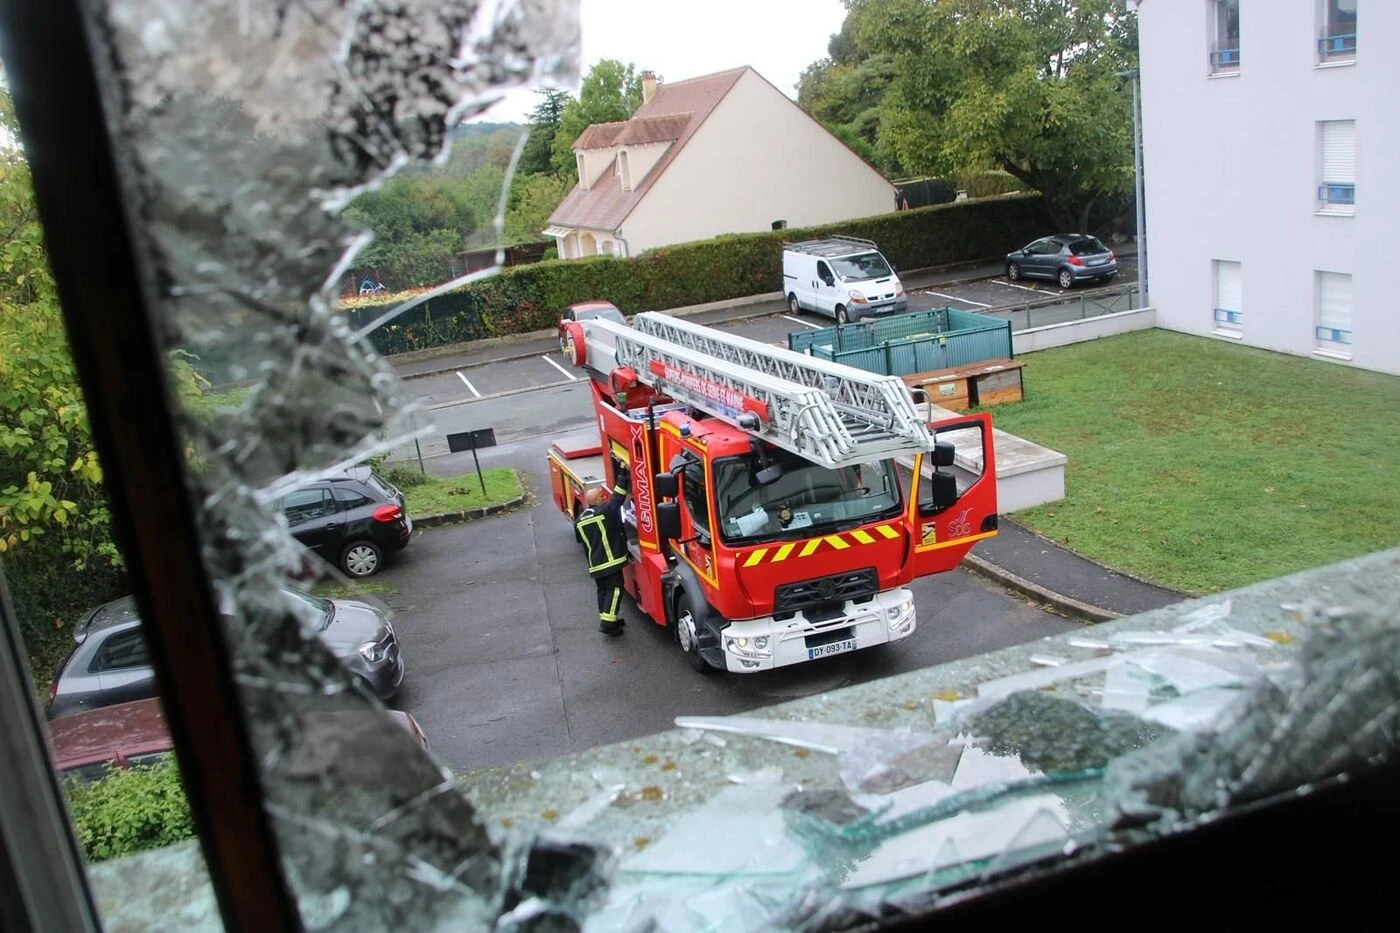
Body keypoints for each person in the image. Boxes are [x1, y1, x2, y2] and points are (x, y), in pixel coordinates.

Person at [575, 469, 631, 636]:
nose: (604, 497)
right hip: (610, 560)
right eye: (601, 496)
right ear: (594, 500)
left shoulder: (579, 521)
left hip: (595, 564)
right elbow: (618, 498)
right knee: (615, 589)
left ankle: (609, 618)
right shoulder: (604, 511)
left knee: (603, 590)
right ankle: (607, 623)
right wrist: (623, 475)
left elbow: (581, 540)